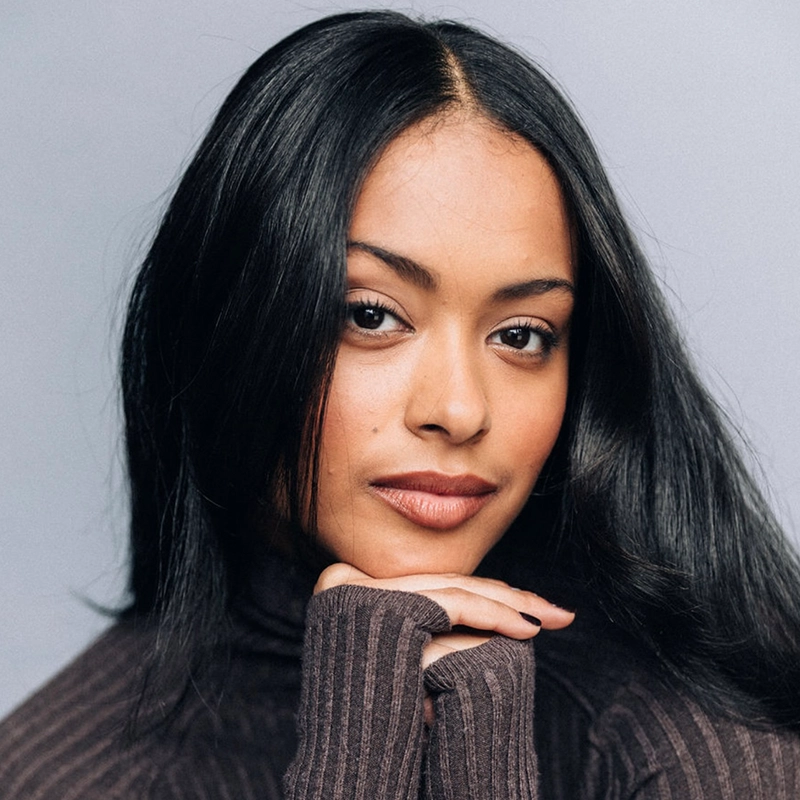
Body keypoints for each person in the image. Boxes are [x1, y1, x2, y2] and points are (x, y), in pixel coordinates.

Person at [1, 9, 799, 798]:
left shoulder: (696, 748)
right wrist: (359, 750)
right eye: (370, 315)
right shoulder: (60, 771)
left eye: (521, 335)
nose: (458, 410)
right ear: (228, 326)